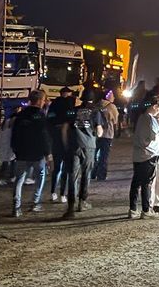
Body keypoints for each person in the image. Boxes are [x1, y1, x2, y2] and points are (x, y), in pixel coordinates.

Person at [10, 90, 52, 217]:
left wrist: (16, 149)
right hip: (37, 153)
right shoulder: (41, 115)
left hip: (22, 153)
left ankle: (16, 206)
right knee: (40, 176)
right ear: (39, 101)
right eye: (43, 100)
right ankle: (35, 202)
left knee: (19, 179)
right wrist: (48, 153)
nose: (44, 102)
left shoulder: (21, 115)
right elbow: (44, 135)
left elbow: (15, 134)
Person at [65, 88, 106, 217]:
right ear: (93, 99)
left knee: (73, 175)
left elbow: (65, 128)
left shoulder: (74, 111)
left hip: (74, 145)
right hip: (89, 146)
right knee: (86, 174)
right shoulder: (96, 112)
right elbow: (99, 131)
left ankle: (70, 206)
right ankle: (82, 202)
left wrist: (67, 143)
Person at [130, 98, 159, 219]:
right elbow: (151, 138)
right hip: (148, 155)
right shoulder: (149, 119)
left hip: (138, 155)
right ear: (155, 106)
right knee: (146, 183)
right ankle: (146, 210)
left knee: (136, 183)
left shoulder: (141, 117)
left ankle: (133, 209)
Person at [47, 87, 77, 202]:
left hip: (56, 138)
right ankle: (62, 194)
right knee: (65, 169)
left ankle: (53, 192)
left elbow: (49, 118)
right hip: (67, 140)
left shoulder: (54, 104)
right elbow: (73, 119)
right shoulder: (71, 105)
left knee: (57, 167)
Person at [94, 90, 118, 180]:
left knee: (95, 154)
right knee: (104, 156)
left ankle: (93, 173)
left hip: (96, 134)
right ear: (107, 96)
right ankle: (101, 175)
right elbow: (115, 120)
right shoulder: (112, 107)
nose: (114, 97)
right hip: (107, 134)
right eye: (112, 95)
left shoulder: (97, 105)